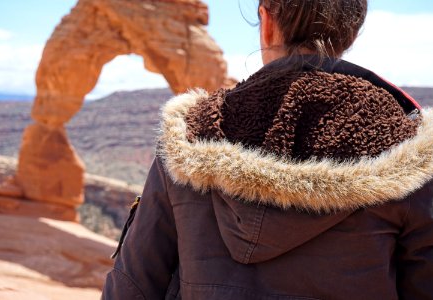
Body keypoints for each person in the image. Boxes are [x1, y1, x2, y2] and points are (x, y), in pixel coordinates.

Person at [102, 0, 433, 299]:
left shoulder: (192, 135)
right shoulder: (405, 147)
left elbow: (132, 288)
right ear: (353, 30)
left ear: (266, 21)